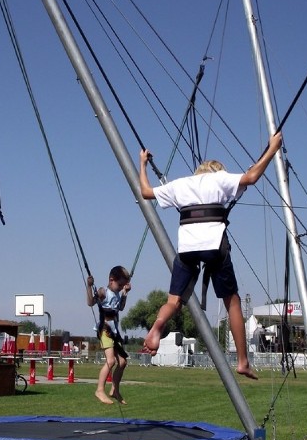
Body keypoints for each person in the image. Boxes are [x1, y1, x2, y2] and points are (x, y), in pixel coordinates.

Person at [138, 132, 283, 379]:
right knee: (232, 301)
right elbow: (252, 176)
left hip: (186, 249)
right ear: (217, 171)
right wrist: (272, 149)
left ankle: (157, 327)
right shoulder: (221, 179)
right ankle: (242, 361)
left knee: (174, 300)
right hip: (214, 246)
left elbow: (146, 192)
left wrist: (142, 163)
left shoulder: (181, 184)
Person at [86, 266, 132, 405]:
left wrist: (125, 293)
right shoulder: (103, 292)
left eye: (123, 285)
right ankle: (100, 390)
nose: (120, 287)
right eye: (120, 285)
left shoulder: (118, 293)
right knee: (111, 361)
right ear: (111, 280)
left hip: (114, 332)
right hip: (104, 330)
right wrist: (89, 286)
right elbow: (90, 302)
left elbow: (121, 307)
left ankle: (114, 390)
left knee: (123, 362)